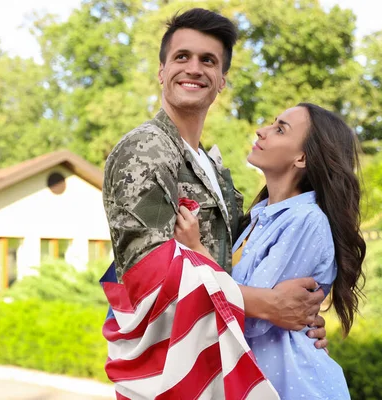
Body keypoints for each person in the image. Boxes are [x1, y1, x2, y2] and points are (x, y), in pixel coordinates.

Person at [101, 7, 327, 399]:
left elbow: (244, 263)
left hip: (215, 371)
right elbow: (147, 277)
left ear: (221, 80)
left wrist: (301, 320)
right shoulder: (147, 149)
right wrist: (268, 305)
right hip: (167, 375)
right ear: (161, 71)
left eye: (208, 60)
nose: (194, 68)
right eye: (181, 57)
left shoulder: (216, 173)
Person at [175, 103, 366, 399]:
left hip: (291, 387)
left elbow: (250, 320)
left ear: (302, 157)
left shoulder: (306, 220)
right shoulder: (258, 217)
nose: (261, 131)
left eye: (280, 129)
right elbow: (255, 301)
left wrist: (196, 249)